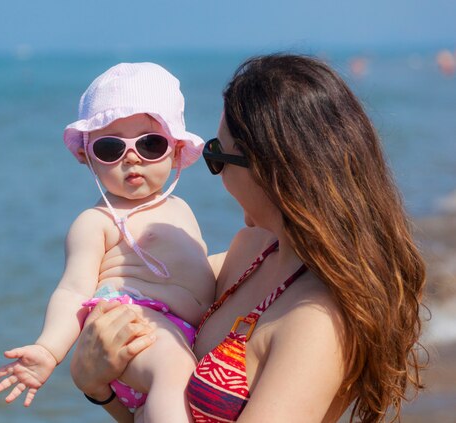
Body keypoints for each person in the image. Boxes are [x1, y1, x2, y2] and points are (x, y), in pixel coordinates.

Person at [70, 54, 427, 423]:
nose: (215, 175)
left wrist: (96, 383)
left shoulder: (318, 321)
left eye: (217, 156)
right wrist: (98, 387)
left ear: (270, 170)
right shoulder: (251, 252)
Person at [0, 62, 215, 422]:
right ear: (86, 156)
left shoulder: (180, 207)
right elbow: (73, 290)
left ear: (175, 150)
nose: (131, 157)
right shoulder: (97, 221)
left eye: (150, 144)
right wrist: (49, 349)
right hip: (131, 325)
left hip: (182, 332)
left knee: (168, 393)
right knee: (173, 370)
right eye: (111, 148)